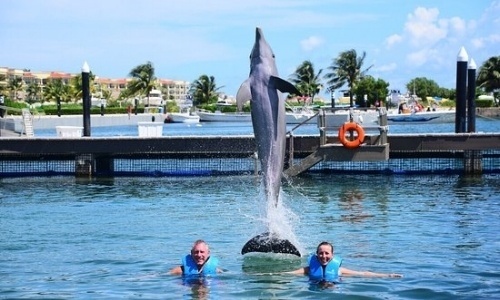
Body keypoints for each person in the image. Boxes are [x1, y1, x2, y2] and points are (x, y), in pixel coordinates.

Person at [288, 241, 402, 283]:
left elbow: (363, 274)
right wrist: (271, 275)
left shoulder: (339, 270)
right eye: (321, 253)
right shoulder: (308, 269)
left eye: (327, 253)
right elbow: (291, 273)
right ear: (316, 254)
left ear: (332, 255)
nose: (323, 256)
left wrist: (388, 275)